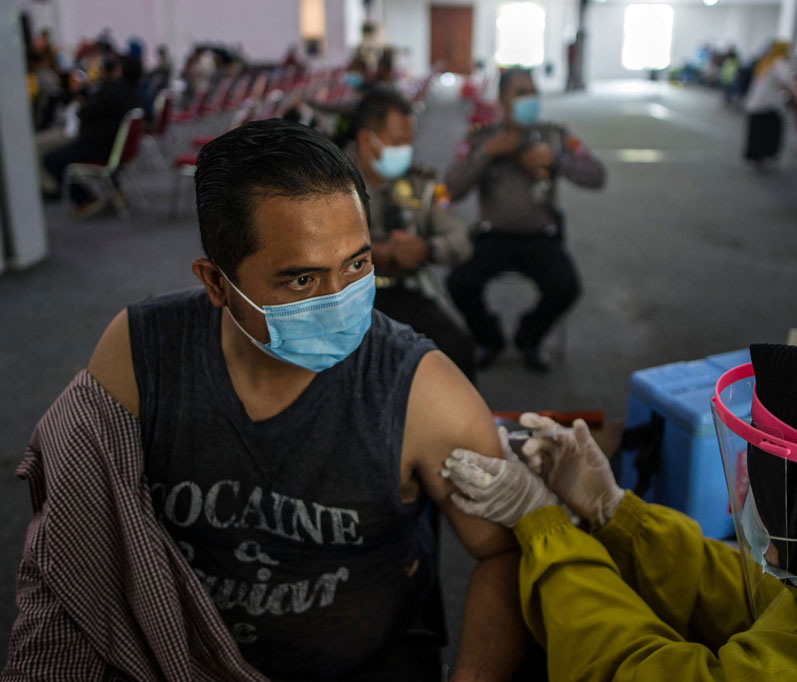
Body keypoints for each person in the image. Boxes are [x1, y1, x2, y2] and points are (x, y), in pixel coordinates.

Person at [4, 120, 530, 681]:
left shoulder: (418, 388)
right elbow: (78, 550)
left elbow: (503, 551)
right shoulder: (142, 353)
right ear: (215, 283)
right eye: (301, 281)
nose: (340, 300)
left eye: (356, 264)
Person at [440, 340, 797, 680]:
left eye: (782, 507)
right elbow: (772, 603)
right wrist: (615, 513)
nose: (765, 543)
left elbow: (628, 668)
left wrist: (544, 525)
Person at [445, 68, 606, 372]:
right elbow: (448, 191)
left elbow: (597, 176)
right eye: (520, 93)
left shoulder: (556, 135)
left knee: (566, 287)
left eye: (533, 92)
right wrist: (486, 154)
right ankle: (488, 338)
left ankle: (529, 337)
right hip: (493, 236)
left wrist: (556, 160)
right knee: (459, 283)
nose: (529, 99)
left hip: (540, 236)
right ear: (502, 101)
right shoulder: (481, 138)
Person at [348, 88, 476, 381]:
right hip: (344, 297)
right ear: (366, 140)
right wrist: (372, 254)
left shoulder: (423, 183)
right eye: (397, 143)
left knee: (455, 351)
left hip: (404, 291)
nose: (406, 152)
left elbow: (459, 238)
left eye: (409, 143)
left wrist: (426, 249)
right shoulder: (327, 183)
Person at [42, 54, 146, 218]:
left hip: (100, 148)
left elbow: (83, 114)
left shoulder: (108, 92)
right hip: (115, 148)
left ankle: (86, 199)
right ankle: (115, 191)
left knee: (51, 159)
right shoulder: (133, 92)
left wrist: (83, 103)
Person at [743, 41, 796, 166]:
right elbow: (787, 79)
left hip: (756, 103)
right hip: (765, 105)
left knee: (757, 133)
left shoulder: (767, 61)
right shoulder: (778, 62)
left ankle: (757, 156)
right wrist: (795, 91)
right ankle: (764, 155)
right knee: (767, 132)